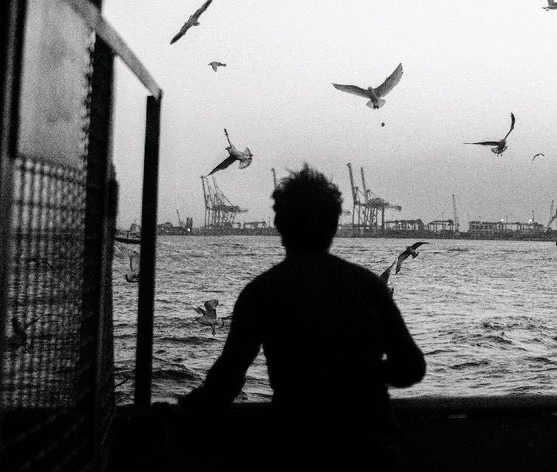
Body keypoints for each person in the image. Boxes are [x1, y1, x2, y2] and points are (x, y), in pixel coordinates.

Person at [177, 164, 425, 470]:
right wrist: (362, 374)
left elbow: (224, 382)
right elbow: (411, 367)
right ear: (334, 225)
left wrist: (183, 410)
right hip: (371, 448)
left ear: (280, 224)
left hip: (296, 447)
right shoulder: (367, 286)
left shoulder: (261, 293)